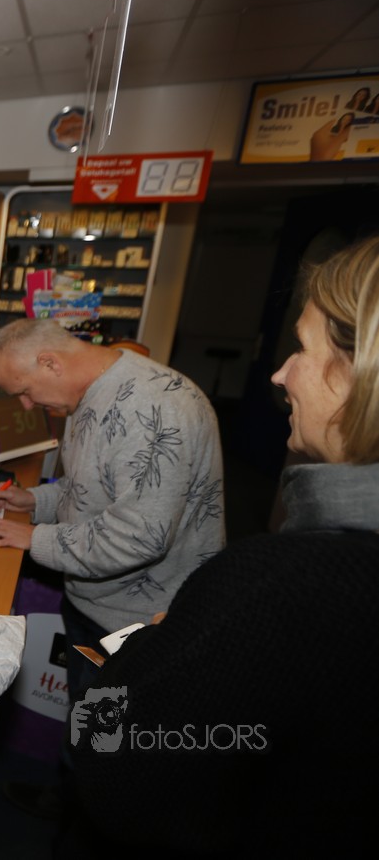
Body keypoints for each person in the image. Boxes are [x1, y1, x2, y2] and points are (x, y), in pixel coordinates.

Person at [68, 234, 379, 858]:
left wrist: (149, 647)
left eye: (302, 348)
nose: (280, 374)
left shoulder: (274, 586)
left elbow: (120, 776)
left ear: (358, 373)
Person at [0, 318, 225, 703]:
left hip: (138, 627)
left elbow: (137, 538)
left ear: (50, 363)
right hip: (93, 603)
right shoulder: (88, 390)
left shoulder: (155, 409)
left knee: (108, 734)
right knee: (85, 722)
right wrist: (36, 502)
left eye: (24, 391)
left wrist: (35, 537)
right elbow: (89, 489)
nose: (27, 405)